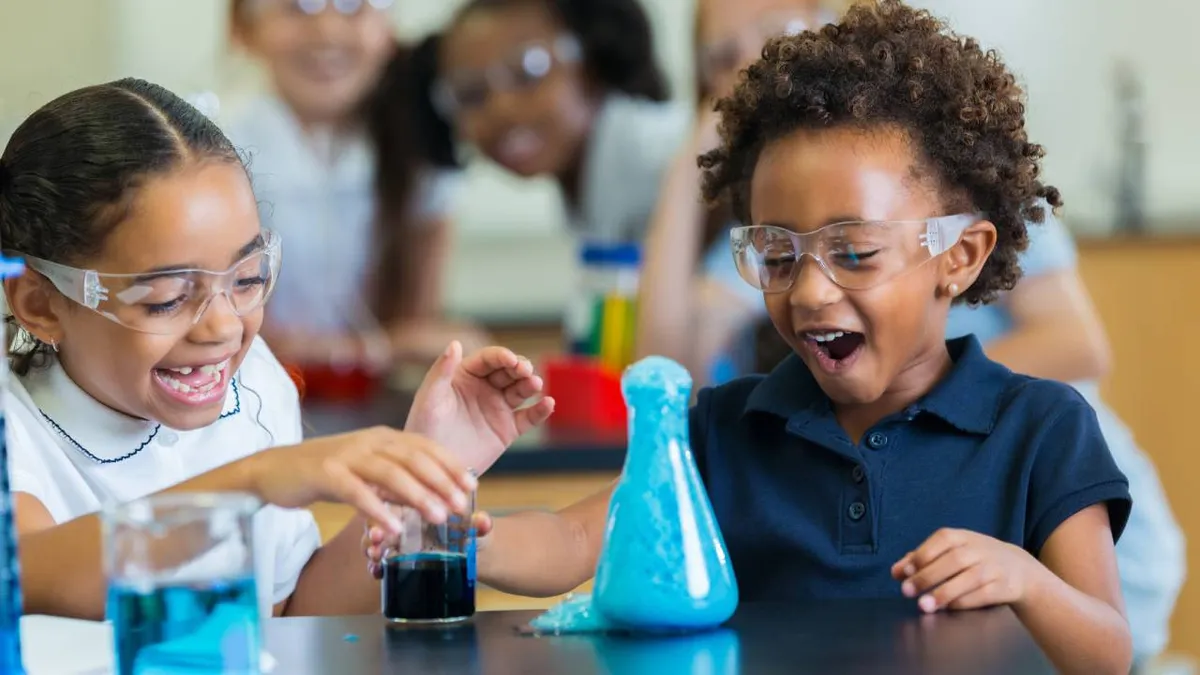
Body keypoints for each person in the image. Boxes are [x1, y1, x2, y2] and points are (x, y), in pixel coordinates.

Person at [369, 3, 1137, 672]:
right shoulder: (728, 431)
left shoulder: (1043, 429)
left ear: (959, 257)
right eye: (776, 255)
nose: (808, 291)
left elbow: (1106, 650)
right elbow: (575, 538)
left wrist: (1027, 582)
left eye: (854, 253)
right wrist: (456, 540)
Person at [0, 77, 553, 620]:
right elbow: (28, 573)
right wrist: (255, 480)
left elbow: (291, 611)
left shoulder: (254, 387)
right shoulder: (16, 427)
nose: (222, 327)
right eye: (166, 298)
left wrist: (421, 478)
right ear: (41, 304)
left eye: (246, 278)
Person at [944, 214, 1186, 669]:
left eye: (860, 254)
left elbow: (1076, 343)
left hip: (1093, 558)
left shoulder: (977, 196)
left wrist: (913, 388)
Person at [225, 0, 486, 370]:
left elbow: (420, 326)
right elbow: (222, 329)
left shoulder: (421, 145)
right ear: (244, 27)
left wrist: (372, 350)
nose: (328, 31)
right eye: (299, 6)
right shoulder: (212, 145)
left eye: (353, 5)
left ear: (387, 27)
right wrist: (376, 348)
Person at [636, 0, 833, 386]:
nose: (752, 68)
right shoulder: (756, 236)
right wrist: (690, 163)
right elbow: (661, 377)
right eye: (725, 58)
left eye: (779, 35)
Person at [429, 0, 684, 242]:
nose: (501, 109)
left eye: (527, 71)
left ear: (590, 59)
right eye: (470, 93)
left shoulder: (658, 154)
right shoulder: (586, 183)